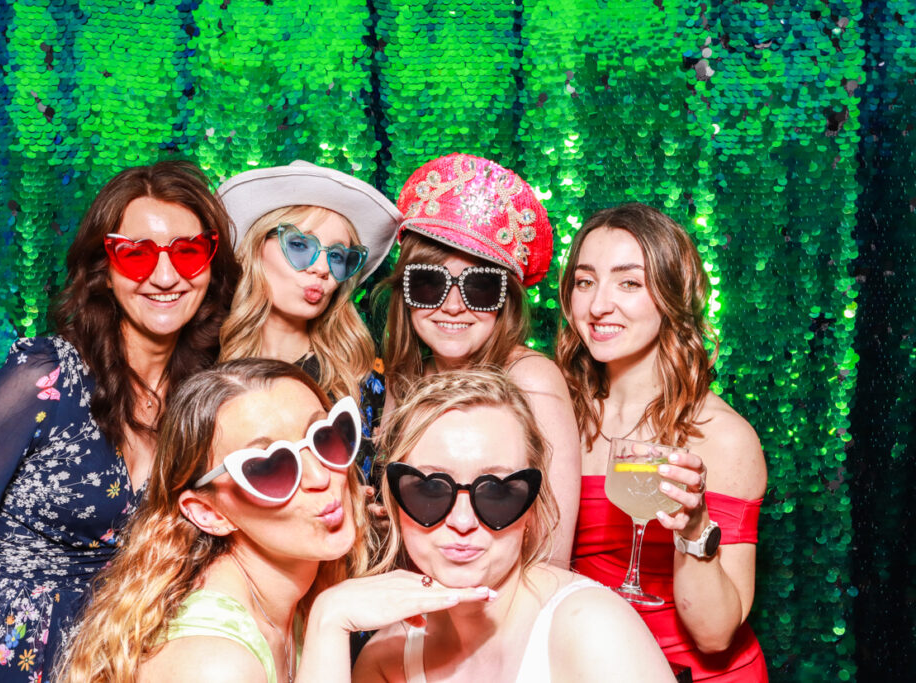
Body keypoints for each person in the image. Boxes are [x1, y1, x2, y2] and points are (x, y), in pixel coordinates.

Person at [0, 160, 239, 682]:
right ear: (105, 266)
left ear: (212, 265)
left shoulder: (203, 404)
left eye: (188, 252)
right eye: (137, 254)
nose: (165, 276)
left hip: (108, 659)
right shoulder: (47, 374)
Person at [57, 358, 489, 683]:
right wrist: (331, 618)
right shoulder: (213, 663)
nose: (323, 478)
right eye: (270, 467)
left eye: (327, 438)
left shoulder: (286, 598)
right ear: (208, 512)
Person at [314, 369, 673, 682]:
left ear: (532, 506)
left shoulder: (592, 628)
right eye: (430, 490)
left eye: (497, 492)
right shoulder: (386, 658)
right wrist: (327, 618)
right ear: (395, 502)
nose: (463, 521)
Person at [557, 203, 768, 680]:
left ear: (672, 295)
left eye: (629, 283)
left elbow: (715, 636)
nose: (597, 305)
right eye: (585, 281)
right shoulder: (557, 411)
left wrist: (694, 532)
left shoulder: (723, 437)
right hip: (584, 663)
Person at [380, 153, 579, 563]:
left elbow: (551, 554)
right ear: (405, 292)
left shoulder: (531, 380)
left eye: (481, 287)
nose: (453, 306)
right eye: (430, 283)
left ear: (505, 301)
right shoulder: (405, 379)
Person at [215, 161, 401, 477]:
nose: (322, 268)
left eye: (338, 255)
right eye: (301, 245)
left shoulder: (363, 377)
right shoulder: (204, 367)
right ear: (255, 248)